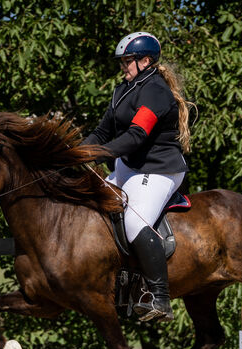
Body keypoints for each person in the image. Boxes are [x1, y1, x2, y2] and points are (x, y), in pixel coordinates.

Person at [82, 32, 193, 322]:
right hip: (129, 167)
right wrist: (75, 152)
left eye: (129, 61)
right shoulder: (123, 90)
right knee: (90, 203)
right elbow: (102, 132)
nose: (124, 67)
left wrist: (98, 154)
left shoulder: (155, 90)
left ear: (146, 60)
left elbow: (136, 136)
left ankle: (160, 298)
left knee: (133, 221)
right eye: (123, 62)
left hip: (159, 169)